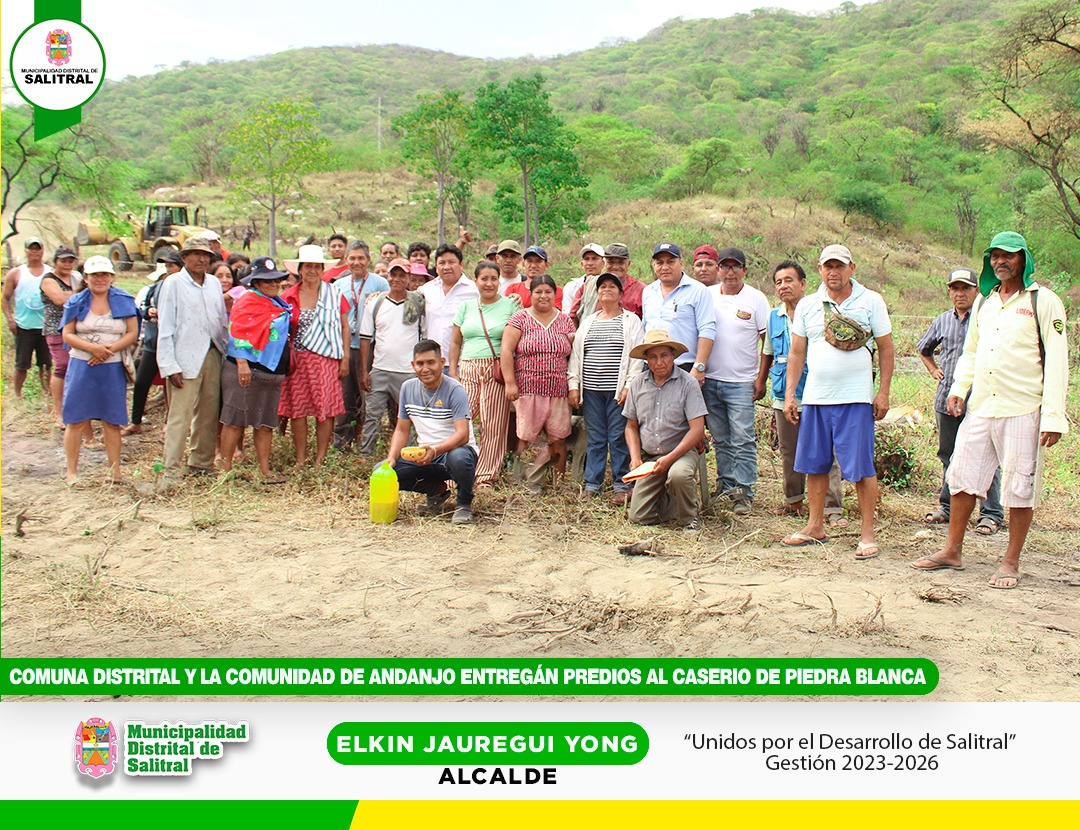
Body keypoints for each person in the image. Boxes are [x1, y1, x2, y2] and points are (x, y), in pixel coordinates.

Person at [912, 232, 1069, 588]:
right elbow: (971, 353)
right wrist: (958, 389)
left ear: (1023, 259)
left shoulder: (1042, 301)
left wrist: (1054, 415)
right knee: (962, 476)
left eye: (1008, 256)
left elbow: (1058, 361)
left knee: (1019, 485)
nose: (1001, 262)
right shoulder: (984, 302)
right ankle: (952, 550)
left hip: (1023, 406)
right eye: (995, 256)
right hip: (982, 406)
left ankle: (1010, 562)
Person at [782, 244, 894, 560]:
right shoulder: (807, 305)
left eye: (840, 266)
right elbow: (796, 353)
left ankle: (867, 534)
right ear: (819, 269)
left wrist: (882, 392)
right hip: (816, 399)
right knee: (815, 464)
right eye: (828, 266)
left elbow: (886, 348)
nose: (834, 272)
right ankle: (815, 526)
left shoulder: (870, 301)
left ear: (851, 268)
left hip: (856, 399)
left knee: (859, 467)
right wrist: (791, 395)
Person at [917, 267, 1003, 534]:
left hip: (981, 401)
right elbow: (923, 348)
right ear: (949, 291)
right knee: (949, 455)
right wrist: (933, 369)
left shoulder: (990, 317)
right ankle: (948, 507)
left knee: (987, 456)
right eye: (955, 288)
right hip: (947, 400)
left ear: (978, 290)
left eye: (965, 287)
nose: (960, 293)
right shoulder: (943, 320)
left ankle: (990, 513)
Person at [760, 261, 845, 523]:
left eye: (789, 280)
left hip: (818, 393)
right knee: (789, 450)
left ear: (803, 284)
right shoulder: (774, 316)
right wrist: (760, 381)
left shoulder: (820, 311)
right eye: (778, 282)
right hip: (783, 393)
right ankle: (793, 502)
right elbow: (769, 354)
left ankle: (832, 509)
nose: (783, 286)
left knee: (826, 452)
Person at [58, 256, 139, 485]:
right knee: (75, 419)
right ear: (86, 277)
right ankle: (72, 472)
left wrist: (107, 350)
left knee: (112, 420)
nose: (100, 279)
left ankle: (115, 473)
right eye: (95, 275)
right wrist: (93, 348)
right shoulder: (76, 301)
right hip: (82, 364)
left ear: (112, 276)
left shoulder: (124, 300)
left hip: (112, 365)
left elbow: (132, 333)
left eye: (105, 274)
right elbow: (68, 334)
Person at [156, 237, 229, 490]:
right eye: (195, 254)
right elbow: (165, 326)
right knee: (180, 415)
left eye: (205, 255)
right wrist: (169, 365)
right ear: (184, 257)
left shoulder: (212, 284)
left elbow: (220, 321)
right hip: (183, 357)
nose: (201, 259)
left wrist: (227, 353)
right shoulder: (173, 283)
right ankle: (171, 470)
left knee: (209, 412)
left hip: (212, 352)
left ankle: (201, 463)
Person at [702, 246, 771, 514]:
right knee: (721, 438)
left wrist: (760, 378)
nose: (730, 272)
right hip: (710, 379)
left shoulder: (756, 299)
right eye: (725, 266)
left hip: (742, 382)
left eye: (735, 267)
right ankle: (726, 484)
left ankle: (744, 491)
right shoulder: (706, 295)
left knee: (743, 437)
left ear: (744, 270)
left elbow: (768, 343)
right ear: (718, 269)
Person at [568, 273, 644, 505]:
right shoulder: (589, 322)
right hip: (591, 391)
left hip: (617, 391)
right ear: (597, 294)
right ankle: (593, 483)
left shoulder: (630, 321)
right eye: (602, 287)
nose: (607, 290)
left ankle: (622, 485)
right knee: (596, 438)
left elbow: (636, 357)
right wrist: (574, 386)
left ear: (621, 294)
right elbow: (576, 357)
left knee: (618, 437)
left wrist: (629, 385)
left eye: (612, 286)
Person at [623, 329, 709, 532]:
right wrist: (636, 458)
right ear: (646, 360)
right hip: (651, 458)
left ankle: (690, 518)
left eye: (664, 356)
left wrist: (669, 459)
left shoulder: (688, 383)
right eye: (653, 357)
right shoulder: (637, 384)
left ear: (673, 356)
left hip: (681, 453)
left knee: (678, 475)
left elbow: (697, 430)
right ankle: (671, 498)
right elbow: (631, 426)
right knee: (638, 517)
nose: (659, 362)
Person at [386, 340, 479, 525]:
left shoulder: (455, 390)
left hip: (452, 453)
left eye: (431, 362)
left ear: (442, 362)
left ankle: (464, 503)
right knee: (383, 471)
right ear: (413, 365)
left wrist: (435, 451)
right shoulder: (408, 388)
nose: (425, 369)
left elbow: (462, 435)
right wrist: (391, 458)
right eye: (420, 364)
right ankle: (435, 490)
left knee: (459, 458)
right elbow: (402, 429)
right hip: (423, 456)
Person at [219, 256, 292, 483]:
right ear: (256, 283)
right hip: (245, 371)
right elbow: (237, 330)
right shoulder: (248, 301)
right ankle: (225, 468)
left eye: (276, 280)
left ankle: (265, 470)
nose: (273, 284)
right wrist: (242, 363)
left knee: (265, 422)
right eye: (266, 281)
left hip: (270, 373)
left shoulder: (277, 302)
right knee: (234, 420)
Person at [501, 275, 576, 492]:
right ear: (531, 294)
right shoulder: (520, 318)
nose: (543, 296)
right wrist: (510, 383)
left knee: (558, 437)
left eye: (548, 292)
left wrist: (572, 387)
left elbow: (572, 355)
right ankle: (525, 481)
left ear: (555, 294)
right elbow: (506, 351)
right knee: (527, 437)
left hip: (558, 390)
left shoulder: (564, 320)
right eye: (538, 292)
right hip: (528, 388)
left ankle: (558, 483)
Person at [277, 245, 350, 467]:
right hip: (297, 360)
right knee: (298, 411)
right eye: (307, 266)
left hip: (326, 360)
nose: (312, 270)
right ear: (300, 269)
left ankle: (320, 458)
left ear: (322, 269)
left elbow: (345, 327)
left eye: (316, 266)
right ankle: (300, 458)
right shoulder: (288, 296)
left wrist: (345, 358)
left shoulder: (334, 294)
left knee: (325, 411)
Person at [450, 260, 516, 486]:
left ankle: (487, 475)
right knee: (461, 421)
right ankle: (457, 471)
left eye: (493, 279)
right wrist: (453, 370)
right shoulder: (466, 306)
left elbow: (516, 340)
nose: (489, 283)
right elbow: (456, 342)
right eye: (484, 279)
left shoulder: (510, 306)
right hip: (467, 366)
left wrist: (511, 378)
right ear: (475, 280)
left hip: (496, 369)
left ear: (500, 281)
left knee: (493, 424)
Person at [358, 259, 426, 455]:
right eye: (393, 274)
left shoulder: (418, 302)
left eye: (401, 275)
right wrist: (365, 370)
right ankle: (365, 454)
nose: (396, 279)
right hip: (380, 369)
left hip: (407, 371)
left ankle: (412, 454)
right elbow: (365, 338)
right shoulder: (376, 303)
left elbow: (423, 333)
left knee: (412, 416)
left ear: (408, 278)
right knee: (372, 414)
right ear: (387, 276)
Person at [333, 240, 389, 450]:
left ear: (368, 260)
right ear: (346, 260)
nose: (356, 262)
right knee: (344, 397)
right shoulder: (338, 285)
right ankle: (342, 441)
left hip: (370, 347)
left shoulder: (380, 283)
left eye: (361, 258)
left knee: (368, 395)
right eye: (352, 258)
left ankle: (365, 441)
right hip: (344, 348)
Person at [640, 243, 715, 386]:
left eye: (670, 262)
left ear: (681, 264)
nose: (665, 267)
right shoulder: (648, 291)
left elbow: (707, 329)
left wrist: (699, 367)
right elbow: (645, 327)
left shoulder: (698, 290)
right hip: (651, 368)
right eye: (659, 262)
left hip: (684, 367)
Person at [124, 249, 182, 436]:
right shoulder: (156, 287)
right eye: (166, 265)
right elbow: (143, 308)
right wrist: (149, 311)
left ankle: (169, 422)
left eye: (171, 265)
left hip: (175, 346)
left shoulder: (184, 289)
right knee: (141, 383)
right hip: (153, 344)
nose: (167, 268)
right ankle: (135, 421)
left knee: (172, 385)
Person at [3, 236, 52, 398]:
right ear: (26, 251)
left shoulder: (50, 272)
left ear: (43, 250)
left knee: (46, 364)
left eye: (37, 248)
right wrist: (10, 319)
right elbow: (5, 297)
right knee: (22, 364)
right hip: (24, 326)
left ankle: (47, 392)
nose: (34, 252)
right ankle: (17, 393)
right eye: (31, 248)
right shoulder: (16, 273)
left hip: (46, 326)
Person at [40, 245, 82, 427]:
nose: (67, 264)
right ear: (55, 262)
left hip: (77, 328)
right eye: (63, 260)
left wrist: (73, 294)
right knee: (62, 366)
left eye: (70, 260)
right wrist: (80, 294)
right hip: (55, 328)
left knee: (76, 366)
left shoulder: (77, 278)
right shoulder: (48, 279)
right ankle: (59, 413)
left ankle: (76, 409)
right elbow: (58, 299)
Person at [420, 244, 478, 358]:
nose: (446, 267)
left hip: (462, 361)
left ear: (461, 264)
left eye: (451, 262)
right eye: (442, 263)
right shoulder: (426, 289)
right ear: (436, 267)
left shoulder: (474, 291)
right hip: (433, 361)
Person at [572, 242, 645, 321]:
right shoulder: (589, 286)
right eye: (611, 262)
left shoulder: (641, 290)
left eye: (621, 262)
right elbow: (573, 316)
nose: (616, 267)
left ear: (628, 264)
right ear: (604, 263)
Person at [562, 243, 605, 315]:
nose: (590, 263)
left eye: (594, 259)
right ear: (582, 264)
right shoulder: (571, 287)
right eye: (586, 259)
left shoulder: (609, 286)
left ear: (603, 263)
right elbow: (566, 315)